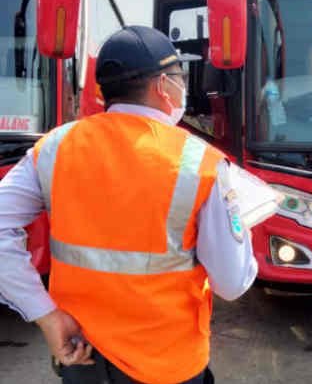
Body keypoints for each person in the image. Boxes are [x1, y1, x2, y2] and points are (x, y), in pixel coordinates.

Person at [0, 26, 258, 383]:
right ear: (162, 86)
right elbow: (232, 283)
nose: (182, 87)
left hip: (83, 357)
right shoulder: (200, 163)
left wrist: (45, 315)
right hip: (168, 365)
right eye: (179, 77)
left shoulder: (56, 147)